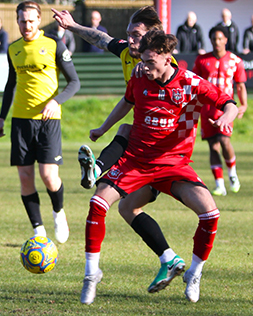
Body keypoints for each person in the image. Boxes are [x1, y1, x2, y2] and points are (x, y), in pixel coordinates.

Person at [79, 29, 238, 304]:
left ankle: (194, 273)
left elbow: (228, 103)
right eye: (142, 60)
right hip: (136, 161)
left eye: (150, 61)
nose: (144, 66)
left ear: (167, 58)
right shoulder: (139, 76)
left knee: (210, 214)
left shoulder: (190, 82)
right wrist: (103, 128)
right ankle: (91, 275)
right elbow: (126, 102)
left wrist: (226, 117)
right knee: (98, 203)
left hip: (174, 164)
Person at [53, 6, 185, 295]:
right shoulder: (128, 53)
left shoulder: (163, 64)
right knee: (127, 207)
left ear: (152, 38)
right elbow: (102, 39)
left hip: (163, 153)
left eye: (136, 35)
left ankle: (97, 169)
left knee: (126, 133)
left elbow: (179, 88)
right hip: (141, 146)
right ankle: (169, 259)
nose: (130, 40)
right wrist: (72, 26)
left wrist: (148, 72)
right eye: (129, 34)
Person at [0, 1, 80, 245]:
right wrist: (1, 118)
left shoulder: (54, 44)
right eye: (22, 21)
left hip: (48, 120)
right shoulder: (13, 49)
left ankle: (58, 213)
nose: (27, 25)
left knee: (49, 176)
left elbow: (74, 82)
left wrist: (56, 101)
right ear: (17, 21)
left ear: (39, 20)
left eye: (31, 21)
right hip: (21, 121)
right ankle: (38, 230)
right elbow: (10, 85)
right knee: (25, 178)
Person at [193, 25, 247, 196]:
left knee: (224, 141)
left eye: (220, 38)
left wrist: (243, 104)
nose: (217, 42)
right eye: (214, 39)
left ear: (226, 40)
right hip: (207, 109)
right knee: (213, 145)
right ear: (210, 40)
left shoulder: (235, 61)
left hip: (225, 108)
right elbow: (194, 83)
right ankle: (219, 184)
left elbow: (240, 85)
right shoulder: (202, 60)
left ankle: (232, 174)